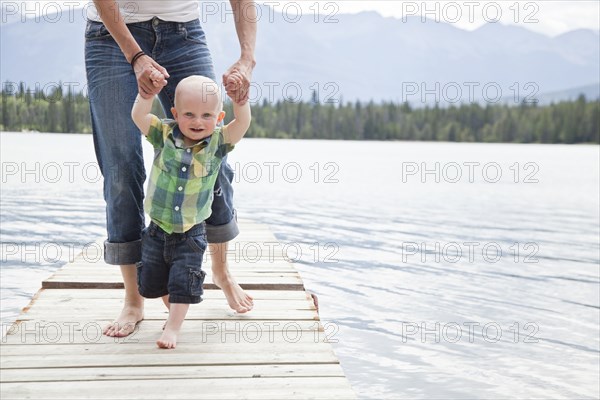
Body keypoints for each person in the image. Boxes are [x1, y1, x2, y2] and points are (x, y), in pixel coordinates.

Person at [85, 0, 256, 337]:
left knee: (213, 155)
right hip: (111, 35)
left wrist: (247, 60)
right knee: (121, 167)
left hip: (183, 32)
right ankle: (134, 299)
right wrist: (136, 57)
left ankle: (221, 271)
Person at [131, 75, 251, 348]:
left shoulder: (219, 142)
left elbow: (242, 123)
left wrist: (240, 102)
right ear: (175, 114)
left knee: (183, 282)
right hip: (157, 228)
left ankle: (173, 328)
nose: (198, 122)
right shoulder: (163, 135)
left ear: (219, 117)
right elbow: (139, 115)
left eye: (207, 115)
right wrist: (147, 94)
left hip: (191, 232)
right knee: (152, 283)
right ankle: (171, 312)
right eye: (189, 114)